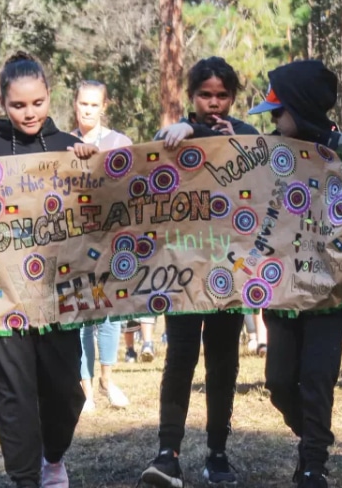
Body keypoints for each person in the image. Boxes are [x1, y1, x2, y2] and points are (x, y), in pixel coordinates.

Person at [248, 62, 342, 488]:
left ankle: (313, 461)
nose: (273, 120)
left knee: (317, 377)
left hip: (330, 290)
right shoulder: (266, 149)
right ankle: (312, 434)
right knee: (278, 382)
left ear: (302, 107)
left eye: (278, 111)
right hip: (279, 289)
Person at [0, 52, 97, 488]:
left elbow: (98, 209)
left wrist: (90, 164)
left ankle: (53, 456)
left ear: (49, 97)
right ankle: (24, 478)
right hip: (2, 298)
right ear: (3, 102)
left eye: (37, 102)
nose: (29, 112)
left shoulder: (67, 147)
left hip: (60, 295)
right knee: (13, 394)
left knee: (64, 390)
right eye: (19, 105)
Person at [139, 57, 258, 488]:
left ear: (232, 97)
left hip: (230, 268)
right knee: (181, 357)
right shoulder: (169, 136)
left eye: (222, 95)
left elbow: (265, 177)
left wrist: (218, 138)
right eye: (205, 95)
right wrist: (189, 134)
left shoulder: (246, 134)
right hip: (181, 267)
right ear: (191, 97)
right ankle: (167, 453)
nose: (214, 103)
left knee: (223, 360)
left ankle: (218, 453)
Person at [71, 80, 132, 411]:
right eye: (83, 103)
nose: (87, 110)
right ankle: (87, 391)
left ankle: (108, 379)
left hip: (111, 240)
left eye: (94, 104)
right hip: (74, 242)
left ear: (104, 107)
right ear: (75, 104)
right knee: (81, 317)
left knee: (109, 315)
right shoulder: (63, 144)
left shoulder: (120, 142)